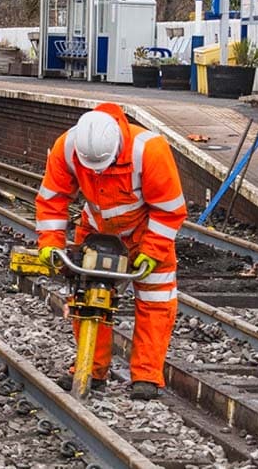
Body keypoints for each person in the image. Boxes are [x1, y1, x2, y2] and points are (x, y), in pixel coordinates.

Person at [35, 102, 187, 400]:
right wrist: (50, 243)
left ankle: (146, 377)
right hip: (97, 228)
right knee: (88, 297)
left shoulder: (149, 151)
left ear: (118, 145)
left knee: (156, 300)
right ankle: (90, 369)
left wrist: (153, 251)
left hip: (147, 233)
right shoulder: (67, 147)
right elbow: (53, 198)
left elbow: (169, 210)